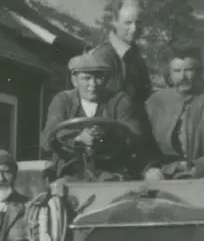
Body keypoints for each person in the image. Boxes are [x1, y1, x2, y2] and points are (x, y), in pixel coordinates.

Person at [41, 49, 163, 181]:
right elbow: (47, 139)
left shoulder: (119, 101)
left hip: (111, 170)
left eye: (98, 78)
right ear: (74, 80)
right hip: (70, 171)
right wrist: (77, 137)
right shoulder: (63, 101)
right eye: (86, 78)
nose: (92, 84)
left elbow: (135, 134)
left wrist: (106, 135)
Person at [145, 46, 204, 178]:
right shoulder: (155, 102)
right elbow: (143, 143)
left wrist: (197, 168)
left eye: (189, 70)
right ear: (170, 75)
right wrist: (150, 168)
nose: (183, 76)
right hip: (161, 174)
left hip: (199, 174)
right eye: (177, 71)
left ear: (199, 72)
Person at [103, 0, 154, 105]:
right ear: (115, 21)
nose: (134, 28)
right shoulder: (104, 56)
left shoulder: (135, 56)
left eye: (138, 23)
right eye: (128, 23)